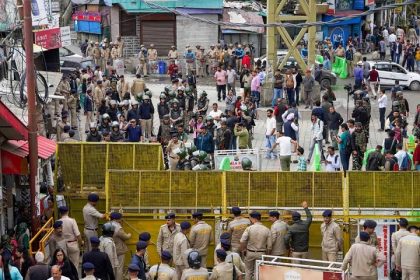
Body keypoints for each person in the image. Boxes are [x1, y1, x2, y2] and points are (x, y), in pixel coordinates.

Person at [240, 211, 272, 280]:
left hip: (250, 252)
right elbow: (269, 246)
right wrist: (267, 255)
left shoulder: (249, 228)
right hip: (261, 253)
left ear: (253, 218)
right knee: (258, 272)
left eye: (250, 218)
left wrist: (243, 250)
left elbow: (242, 240)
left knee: (248, 271)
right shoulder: (267, 229)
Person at [58, 206, 82, 275]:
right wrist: (80, 243)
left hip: (62, 245)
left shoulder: (58, 222)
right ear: (67, 212)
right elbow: (77, 234)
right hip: (73, 244)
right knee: (74, 265)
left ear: (60, 213)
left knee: (64, 265)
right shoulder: (72, 221)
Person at [109, 212, 131, 280]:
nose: (121, 219)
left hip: (109, 248)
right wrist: (129, 234)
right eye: (120, 218)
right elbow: (125, 237)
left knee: (112, 266)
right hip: (119, 250)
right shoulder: (118, 227)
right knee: (119, 268)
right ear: (117, 219)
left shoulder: (107, 224)